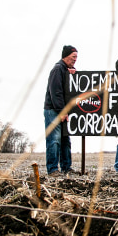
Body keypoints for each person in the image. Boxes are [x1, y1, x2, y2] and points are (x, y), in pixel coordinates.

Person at [43, 45, 77, 177]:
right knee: (54, 140)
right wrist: (62, 111)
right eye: (73, 57)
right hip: (53, 111)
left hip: (61, 110)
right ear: (66, 56)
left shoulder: (65, 69)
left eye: (76, 57)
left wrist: (72, 71)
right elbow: (55, 92)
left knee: (65, 140)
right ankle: (52, 169)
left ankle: (66, 167)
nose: (75, 60)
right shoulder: (57, 69)